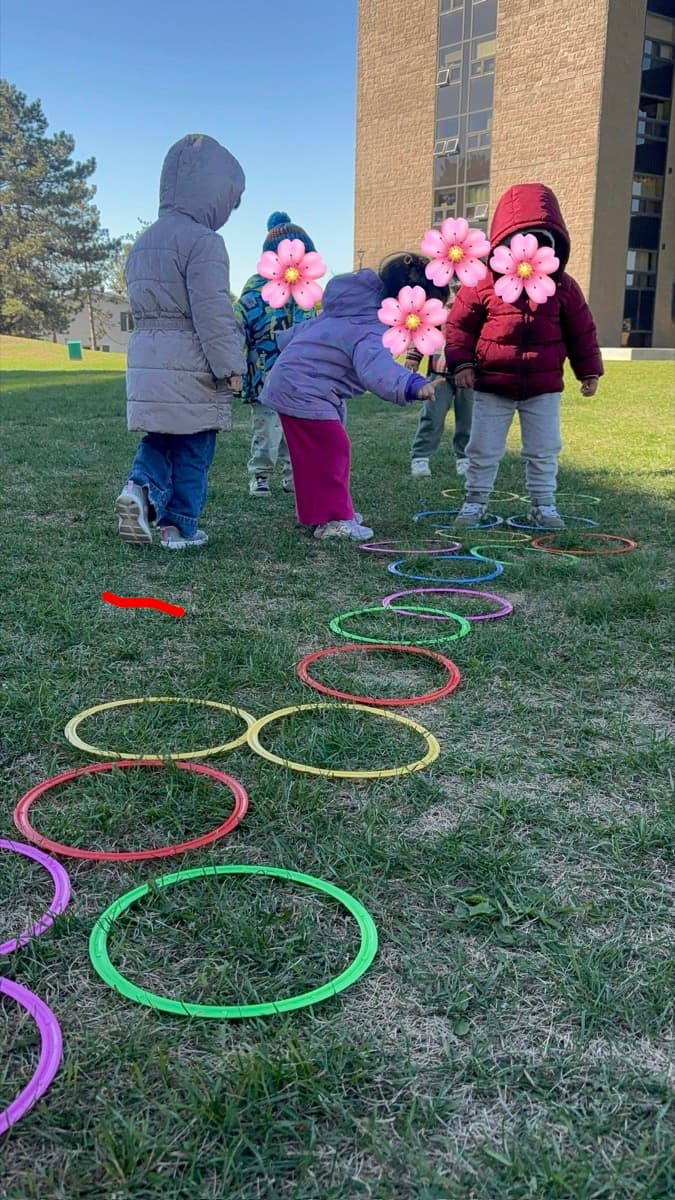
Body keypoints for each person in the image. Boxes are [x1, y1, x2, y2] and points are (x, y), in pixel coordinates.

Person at [445, 183, 603, 530]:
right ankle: (475, 502)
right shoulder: (481, 282)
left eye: (542, 243)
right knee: (482, 448)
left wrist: (588, 371)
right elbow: (459, 326)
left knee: (544, 450)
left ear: (553, 246)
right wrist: (462, 364)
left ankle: (543, 505)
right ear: (503, 244)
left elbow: (582, 331)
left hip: (543, 387)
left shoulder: (564, 287)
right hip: (493, 385)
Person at [114, 133, 245, 549]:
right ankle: (178, 526)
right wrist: (230, 367)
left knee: (158, 437)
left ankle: (137, 489)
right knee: (194, 447)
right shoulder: (204, 242)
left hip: (148, 361)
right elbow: (212, 312)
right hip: (190, 363)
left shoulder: (143, 242)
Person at [259, 253, 447, 541]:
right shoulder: (368, 326)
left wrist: (285, 340)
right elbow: (376, 369)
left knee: (317, 455)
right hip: (304, 389)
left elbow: (307, 332)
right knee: (332, 451)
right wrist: (411, 383)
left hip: (295, 384)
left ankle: (326, 512)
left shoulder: (347, 311)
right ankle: (334, 519)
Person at [234, 212, 317, 497]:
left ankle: (293, 476)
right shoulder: (256, 290)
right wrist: (233, 366)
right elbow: (237, 328)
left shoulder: (306, 292)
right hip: (264, 374)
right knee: (266, 430)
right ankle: (260, 474)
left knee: (295, 429)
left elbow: (314, 331)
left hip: (297, 376)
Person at [407, 283, 473, 477]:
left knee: (468, 418)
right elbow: (422, 330)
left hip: (470, 372)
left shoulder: (477, 302)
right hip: (439, 370)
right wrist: (413, 355)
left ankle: (464, 458)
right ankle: (420, 457)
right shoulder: (435, 304)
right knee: (432, 416)